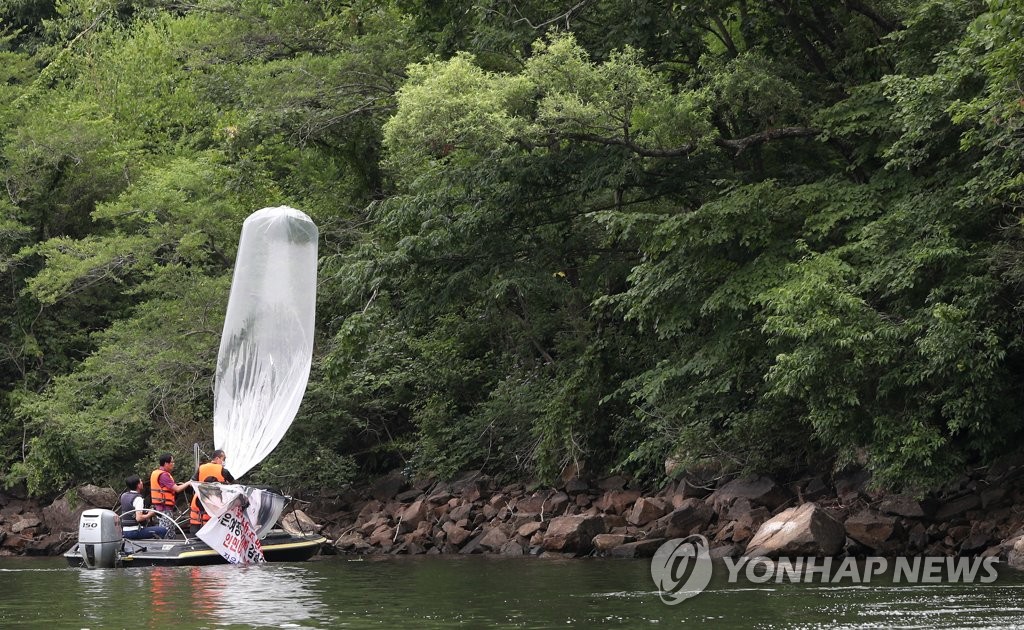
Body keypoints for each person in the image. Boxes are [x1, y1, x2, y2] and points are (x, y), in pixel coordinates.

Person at [120, 475, 168, 540]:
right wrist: (150, 514)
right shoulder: (138, 498)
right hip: (135, 531)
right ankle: (156, 547)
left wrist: (145, 512)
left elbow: (131, 511)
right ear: (138, 485)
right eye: (140, 481)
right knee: (162, 530)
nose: (142, 483)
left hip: (124, 531)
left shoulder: (124, 496)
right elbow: (139, 518)